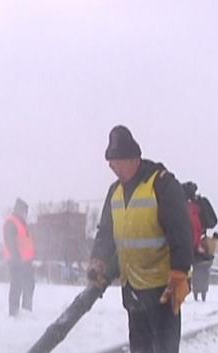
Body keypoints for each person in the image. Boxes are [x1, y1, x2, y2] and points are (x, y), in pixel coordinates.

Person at [87, 125, 193, 353]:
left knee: (164, 349)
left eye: (115, 160)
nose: (111, 166)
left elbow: (181, 232)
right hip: (132, 289)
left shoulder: (161, 184)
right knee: (140, 348)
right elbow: (105, 233)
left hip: (162, 291)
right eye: (110, 161)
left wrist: (180, 270)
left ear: (132, 158)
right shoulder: (114, 191)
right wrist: (98, 260)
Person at [182, 182, 218, 302]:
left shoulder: (183, 207)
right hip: (198, 246)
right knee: (201, 269)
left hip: (188, 246)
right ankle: (200, 293)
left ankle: (189, 292)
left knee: (183, 268)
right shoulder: (198, 205)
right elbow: (210, 223)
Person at [3, 198, 35, 317]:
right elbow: (9, 241)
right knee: (17, 285)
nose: (26, 214)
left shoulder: (21, 223)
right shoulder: (11, 222)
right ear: (19, 210)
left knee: (29, 285)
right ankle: (14, 313)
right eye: (24, 211)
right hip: (16, 261)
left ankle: (26, 311)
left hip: (25, 261)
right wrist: (17, 258)